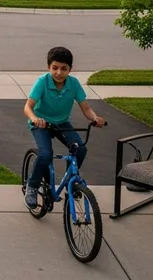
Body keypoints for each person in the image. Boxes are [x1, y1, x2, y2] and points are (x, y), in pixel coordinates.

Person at [23, 46, 106, 210]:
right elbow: (27, 107)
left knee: (80, 149)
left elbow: (86, 108)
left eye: (64, 69)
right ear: (49, 67)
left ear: (70, 69)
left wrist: (95, 118)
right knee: (46, 155)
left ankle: (70, 183)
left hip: (61, 123)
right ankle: (32, 187)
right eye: (55, 68)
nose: (59, 73)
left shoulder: (73, 84)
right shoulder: (42, 82)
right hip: (41, 123)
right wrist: (35, 119)